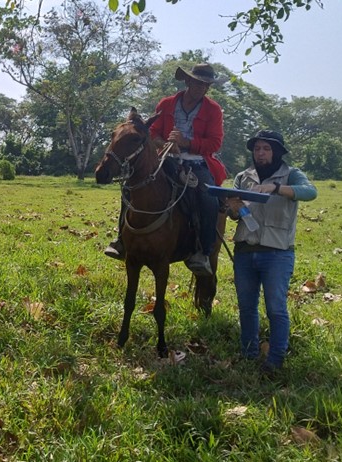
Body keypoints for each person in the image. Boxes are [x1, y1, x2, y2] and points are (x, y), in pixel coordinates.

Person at [105, 63, 227, 276]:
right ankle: (121, 240)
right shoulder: (167, 103)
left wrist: (187, 142)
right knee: (129, 187)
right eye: (199, 83)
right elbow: (151, 132)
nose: (202, 88)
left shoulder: (213, 109)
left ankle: (203, 252)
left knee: (208, 198)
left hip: (197, 163)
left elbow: (215, 143)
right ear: (188, 81)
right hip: (165, 159)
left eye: (206, 85)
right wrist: (163, 144)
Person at [225, 130, 317, 376]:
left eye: (266, 148)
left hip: (277, 253)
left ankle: (275, 360)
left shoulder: (291, 174)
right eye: (257, 149)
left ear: (276, 151)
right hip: (245, 250)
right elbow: (235, 213)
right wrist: (232, 207)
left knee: (276, 308)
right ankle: (248, 353)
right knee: (246, 306)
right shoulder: (243, 177)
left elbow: (310, 192)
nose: (261, 153)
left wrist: (276, 188)